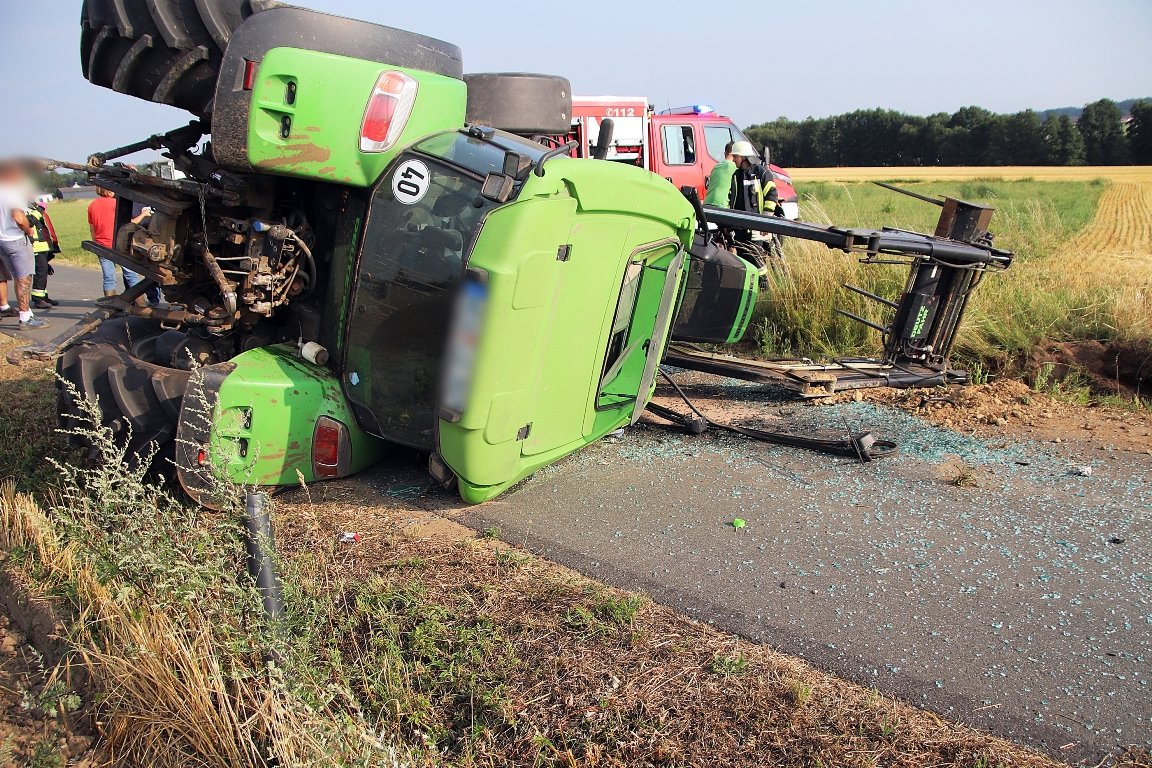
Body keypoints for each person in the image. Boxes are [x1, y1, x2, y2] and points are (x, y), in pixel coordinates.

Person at [0, 162, 48, 329]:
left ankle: (26, 312)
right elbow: (19, 218)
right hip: (16, 239)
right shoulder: (13, 193)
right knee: (24, 278)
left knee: (17, 277)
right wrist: (28, 229)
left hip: (1, 240)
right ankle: (25, 318)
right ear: (11, 174)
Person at [88, 187, 151, 299]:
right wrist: (144, 214)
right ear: (108, 190)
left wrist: (96, 243)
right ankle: (140, 303)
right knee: (131, 274)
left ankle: (110, 300)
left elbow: (92, 229)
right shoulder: (116, 204)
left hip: (102, 245)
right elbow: (130, 223)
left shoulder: (92, 205)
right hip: (119, 245)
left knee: (108, 277)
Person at [26, 201, 60, 309]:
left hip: (43, 245)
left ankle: (43, 296)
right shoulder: (24, 207)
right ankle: (38, 299)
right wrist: (39, 210)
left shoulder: (32, 206)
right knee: (40, 272)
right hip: (35, 246)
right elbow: (29, 222)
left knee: (44, 271)